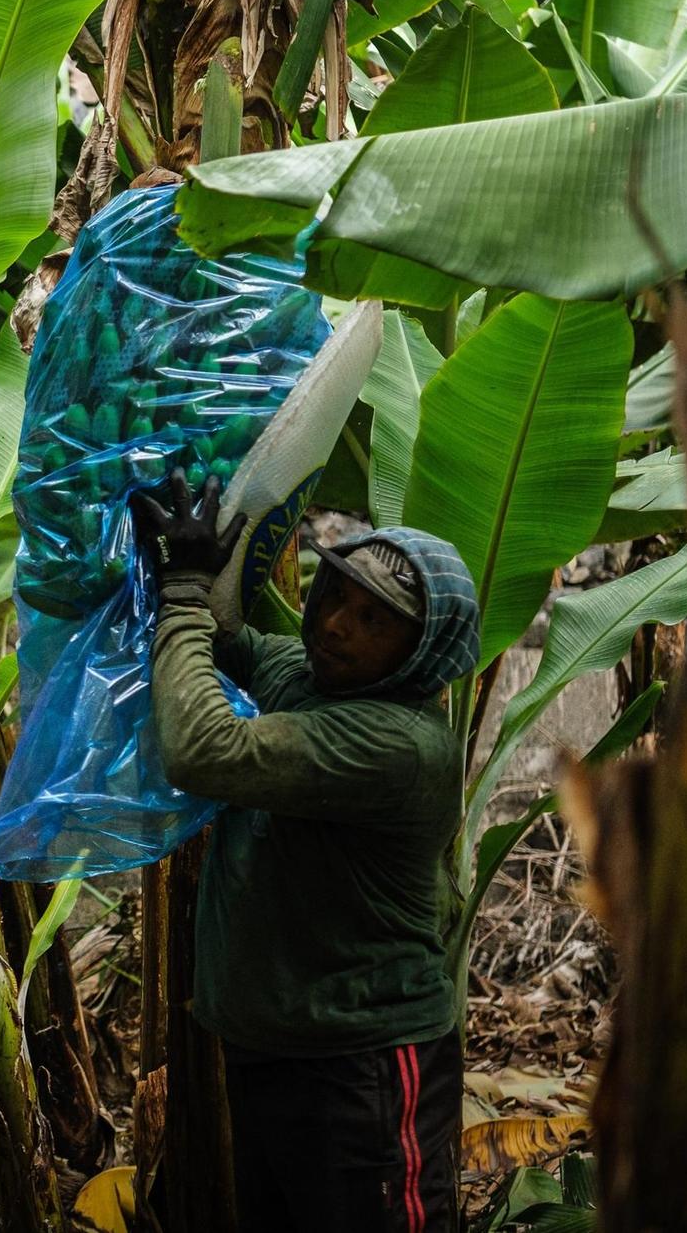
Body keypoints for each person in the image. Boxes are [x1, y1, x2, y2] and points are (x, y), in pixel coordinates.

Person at [133, 469, 481, 1233]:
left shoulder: (398, 745)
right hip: (273, 1054)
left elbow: (201, 746)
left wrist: (185, 593)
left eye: (374, 620)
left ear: (420, 653)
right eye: (335, 595)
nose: (333, 626)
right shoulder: (313, 675)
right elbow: (234, 644)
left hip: (364, 1069)